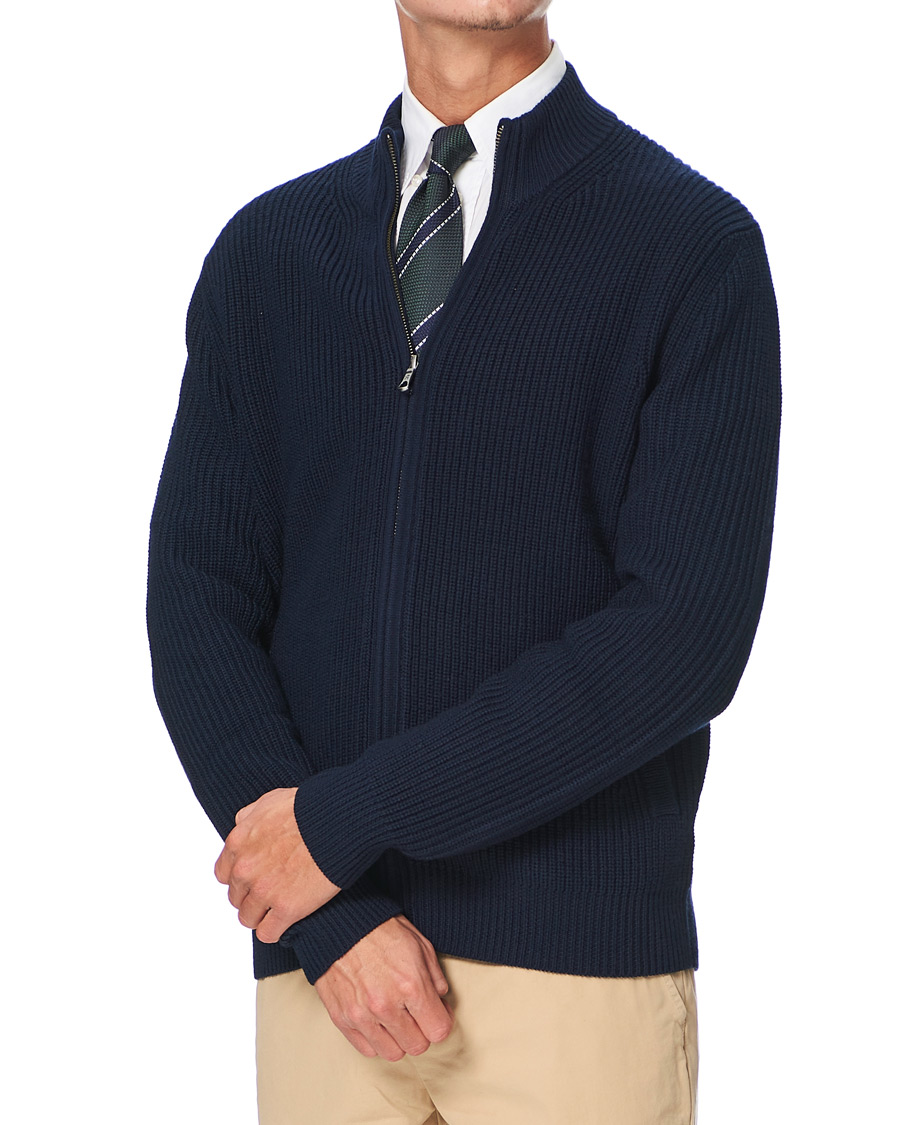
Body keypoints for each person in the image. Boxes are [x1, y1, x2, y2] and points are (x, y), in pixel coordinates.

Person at [147, 1, 780, 1121]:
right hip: (325, 982)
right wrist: (327, 916)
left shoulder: (689, 246)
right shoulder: (266, 257)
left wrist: (344, 826)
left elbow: (683, 638)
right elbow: (201, 604)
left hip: (573, 980)